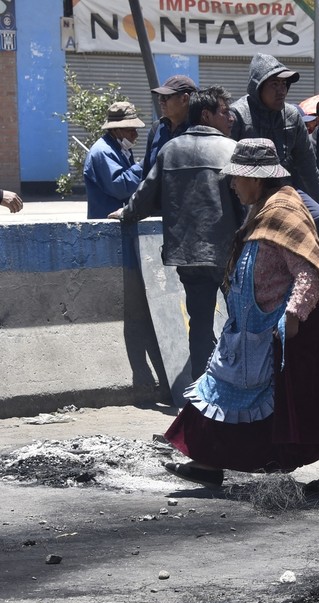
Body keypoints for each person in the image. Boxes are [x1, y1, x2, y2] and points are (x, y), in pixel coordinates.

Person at [161, 138, 319, 494]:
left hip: (301, 319)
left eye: (236, 178)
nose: (232, 185)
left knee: (313, 397)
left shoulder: (282, 210)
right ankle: (207, 462)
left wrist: (293, 315)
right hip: (262, 322)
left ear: (255, 179)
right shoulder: (262, 208)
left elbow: (310, 271)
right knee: (222, 384)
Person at [108, 87, 241, 380]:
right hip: (228, 256)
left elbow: (143, 198)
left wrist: (126, 213)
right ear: (206, 115)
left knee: (201, 325)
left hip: (189, 256)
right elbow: (246, 205)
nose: (230, 117)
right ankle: (238, 388)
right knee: (242, 321)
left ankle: (200, 395)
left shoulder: (170, 150)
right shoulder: (231, 150)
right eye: (224, 111)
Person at [230, 53, 319, 245]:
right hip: (248, 194)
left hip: (284, 191)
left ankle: (297, 264)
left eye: (284, 84)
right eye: (274, 84)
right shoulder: (237, 114)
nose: (281, 90)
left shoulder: (292, 115)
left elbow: (307, 164)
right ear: (258, 87)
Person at [83, 101, 145, 219]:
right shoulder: (103, 152)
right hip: (105, 224)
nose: (135, 135)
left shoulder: (121, 148)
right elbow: (121, 187)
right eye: (131, 130)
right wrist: (143, 165)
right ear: (116, 130)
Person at [143, 75, 197, 178]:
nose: (160, 101)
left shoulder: (199, 129)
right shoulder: (157, 129)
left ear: (184, 99)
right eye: (159, 97)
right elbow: (146, 172)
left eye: (165, 97)